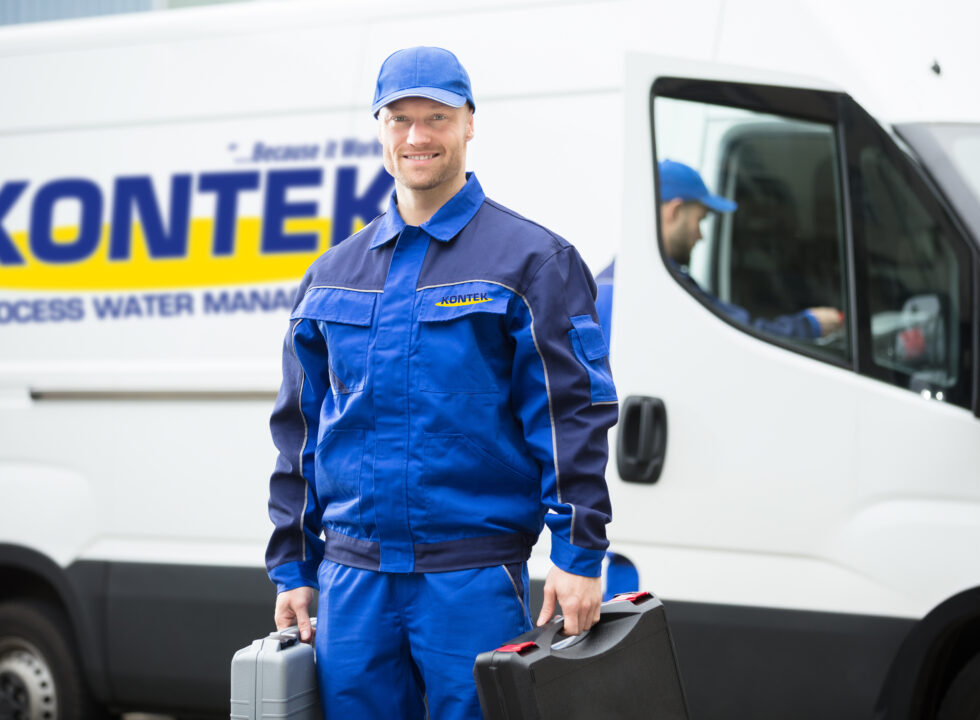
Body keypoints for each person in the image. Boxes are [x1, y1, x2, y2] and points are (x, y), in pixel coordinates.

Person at [264, 46, 618, 720]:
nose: (417, 137)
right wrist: (294, 566)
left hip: (472, 578)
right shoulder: (331, 275)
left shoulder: (533, 262)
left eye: (436, 117)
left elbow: (571, 416)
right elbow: (299, 436)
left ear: (469, 123)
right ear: (379, 127)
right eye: (400, 120)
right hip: (352, 583)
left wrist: (579, 552)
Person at [596, 159, 843, 344]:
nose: (700, 235)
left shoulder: (610, 286)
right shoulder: (652, 289)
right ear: (674, 211)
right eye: (699, 220)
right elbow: (740, 331)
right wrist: (809, 325)